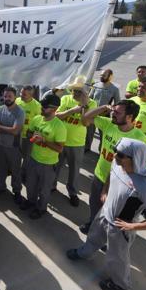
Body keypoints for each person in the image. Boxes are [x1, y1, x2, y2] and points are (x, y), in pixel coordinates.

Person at [67, 138, 146, 290]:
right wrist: (104, 191)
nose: (115, 156)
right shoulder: (117, 163)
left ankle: (120, 283)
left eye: (121, 155)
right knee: (93, 238)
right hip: (104, 213)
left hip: (120, 226)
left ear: (134, 157)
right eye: (116, 152)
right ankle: (84, 253)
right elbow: (111, 173)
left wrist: (131, 226)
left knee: (117, 257)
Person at [80, 100, 146, 234]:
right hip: (99, 175)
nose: (113, 114)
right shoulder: (108, 124)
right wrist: (104, 107)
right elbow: (85, 118)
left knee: (111, 212)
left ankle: (103, 236)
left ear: (129, 117)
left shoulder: (141, 139)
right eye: (113, 111)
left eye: (117, 113)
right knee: (94, 204)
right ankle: (93, 224)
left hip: (119, 184)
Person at [21, 93, 67, 219]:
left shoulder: (59, 127)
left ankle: (41, 208)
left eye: (44, 107)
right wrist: (32, 135)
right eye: (42, 106)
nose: (41, 109)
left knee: (44, 189)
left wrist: (44, 141)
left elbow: (59, 148)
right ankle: (31, 201)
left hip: (48, 164)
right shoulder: (37, 119)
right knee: (30, 185)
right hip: (33, 159)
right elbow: (29, 132)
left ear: (54, 109)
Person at [55, 77, 97, 206]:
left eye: (79, 91)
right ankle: (51, 185)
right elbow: (57, 116)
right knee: (55, 167)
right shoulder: (65, 99)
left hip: (77, 143)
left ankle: (72, 192)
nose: (75, 93)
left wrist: (84, 106)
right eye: (74, 90)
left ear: (85, 92)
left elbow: (85, 123)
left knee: (74, 170)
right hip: (60, 140)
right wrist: (73, 110)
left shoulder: (93, 104)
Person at [0, 87, 25, 204]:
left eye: (10, 96)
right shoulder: (0, 109)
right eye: (5, 96)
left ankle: (17, 191)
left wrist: (1, 128)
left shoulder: (20, 112)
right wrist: (8, 129)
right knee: (0, 169)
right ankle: (0, 187)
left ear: (15, 97)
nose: (7, 98)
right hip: (0, 144)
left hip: (13, 147)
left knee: (16, 171)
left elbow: (15, 131)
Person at [86, 69, 121, 151]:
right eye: (101, 75)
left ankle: (101, 150)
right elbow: (90, 98)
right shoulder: (95, 85)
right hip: (93, 114)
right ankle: (87, 148)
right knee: (89, 133)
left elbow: (117, 103)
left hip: (105, 116)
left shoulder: (114, 89)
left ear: (110, 77)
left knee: (103, 135)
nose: (101, 77)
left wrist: (111, 109)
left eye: (104, 75)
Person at [15, 86, 42, 182]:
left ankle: (23, 174)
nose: (21, 95)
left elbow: (39, 122)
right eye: (21, 93)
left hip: (27, 137)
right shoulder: (17, 101)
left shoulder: (37, 106)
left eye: (24, 94)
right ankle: (15, 171)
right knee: (15, 155)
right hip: (16, 134)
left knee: (27, 158)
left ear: (31, 95)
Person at [131, 76, 146, 154]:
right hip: (128, 144)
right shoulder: (132, 100)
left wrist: (143, 138)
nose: (139, 89)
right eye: (139, 86)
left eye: (143, 88)